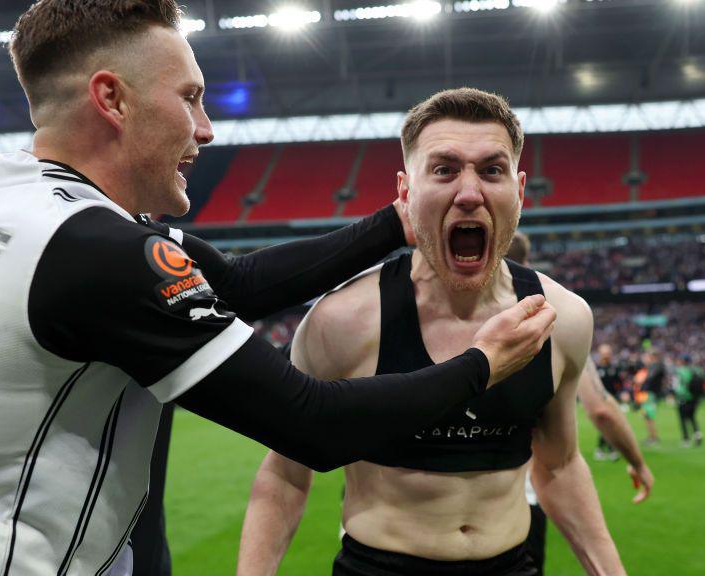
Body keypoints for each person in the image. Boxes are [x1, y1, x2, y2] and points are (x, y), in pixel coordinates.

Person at [0, 4, 558, 574]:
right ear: (113, 99)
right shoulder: (99, 252)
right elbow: (312, 423)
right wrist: (481, 365)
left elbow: (235, 284)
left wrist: (391, 225)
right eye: (190, 97)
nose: (207, 127)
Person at [238, 88, 625, 576]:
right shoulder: (342, 320)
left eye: (491, 170)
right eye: (444, 170)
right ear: (405, 192)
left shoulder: (561, 319)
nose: (469, 193)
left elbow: (561, 465)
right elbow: (285, 473)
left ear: (520, 190)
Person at [508, 233, 652, 574]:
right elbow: (600, 408)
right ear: (528, 261)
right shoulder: (550, 316)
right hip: (519, 500)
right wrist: (637, 462)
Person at [592, 344, 627, 461]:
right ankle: (602, 449)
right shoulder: (596, 369)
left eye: (608, 353)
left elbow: (620, 384)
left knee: (612, 426)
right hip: (599, 401)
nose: (606, 356)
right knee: (605, 426)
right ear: (600, 354)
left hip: (612, 401)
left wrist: (623, 393)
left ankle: (609, 449)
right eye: (604, 353)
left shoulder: (614, 368)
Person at [635, 349, 665, 446]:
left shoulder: (656, 366)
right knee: (647, 416)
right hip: (650, 394)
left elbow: (649, 379)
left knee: (649, 417)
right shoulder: (657, 366)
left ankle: (653, 438)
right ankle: (651, 436)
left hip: (650, 394)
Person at [673, 355, 705, 447]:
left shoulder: (680, 371)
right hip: (696, 398)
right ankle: (697, 434)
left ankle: (686, 439)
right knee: (692, 417)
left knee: (682, 418)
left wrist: (675, 394)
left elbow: (677, 386)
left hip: (684, 397)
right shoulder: (698, 370)